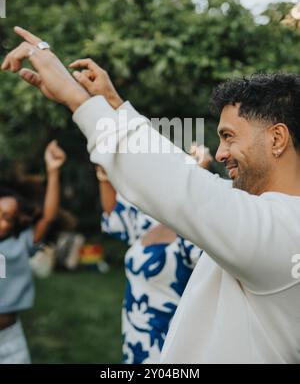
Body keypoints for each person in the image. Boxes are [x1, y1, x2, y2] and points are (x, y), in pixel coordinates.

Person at [2, 27, 300, 364]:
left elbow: (178, 187)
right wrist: (115, 106)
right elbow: (180, 172)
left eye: (229, 137)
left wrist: (77, 99)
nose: (220, 154)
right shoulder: (268, 215)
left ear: (277, 139)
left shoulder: (285, 233)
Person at [96, 152, 204, 363]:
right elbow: (114, 218)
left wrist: (199, 170)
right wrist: (104, 174)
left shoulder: (194, 236)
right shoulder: (149, 221)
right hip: (134, 333)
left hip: (168, 337)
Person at [0, 140, 66, 364]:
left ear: (17, 222)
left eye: (6, 217)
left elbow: (49, 217)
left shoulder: (22, 241)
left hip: (10, 339)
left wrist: (53, 171)